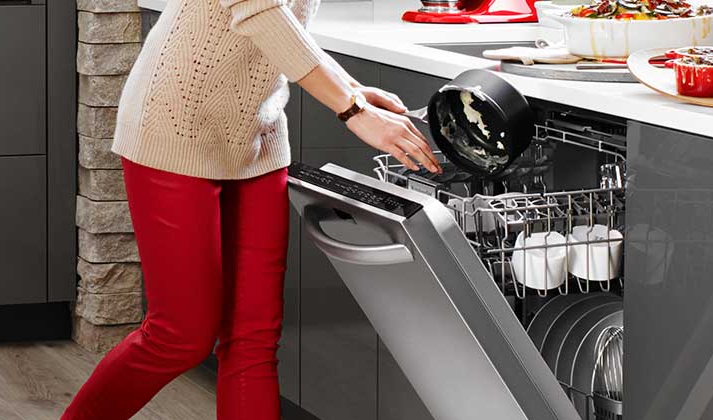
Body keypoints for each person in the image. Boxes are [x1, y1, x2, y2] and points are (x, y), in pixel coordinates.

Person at [60, 0, 440, 416]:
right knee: (180, 336)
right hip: (176, 127)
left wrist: (351, 89)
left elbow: (284, 22)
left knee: (254, 338)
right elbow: (258, 10)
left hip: (257, 134)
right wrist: (350, 108)